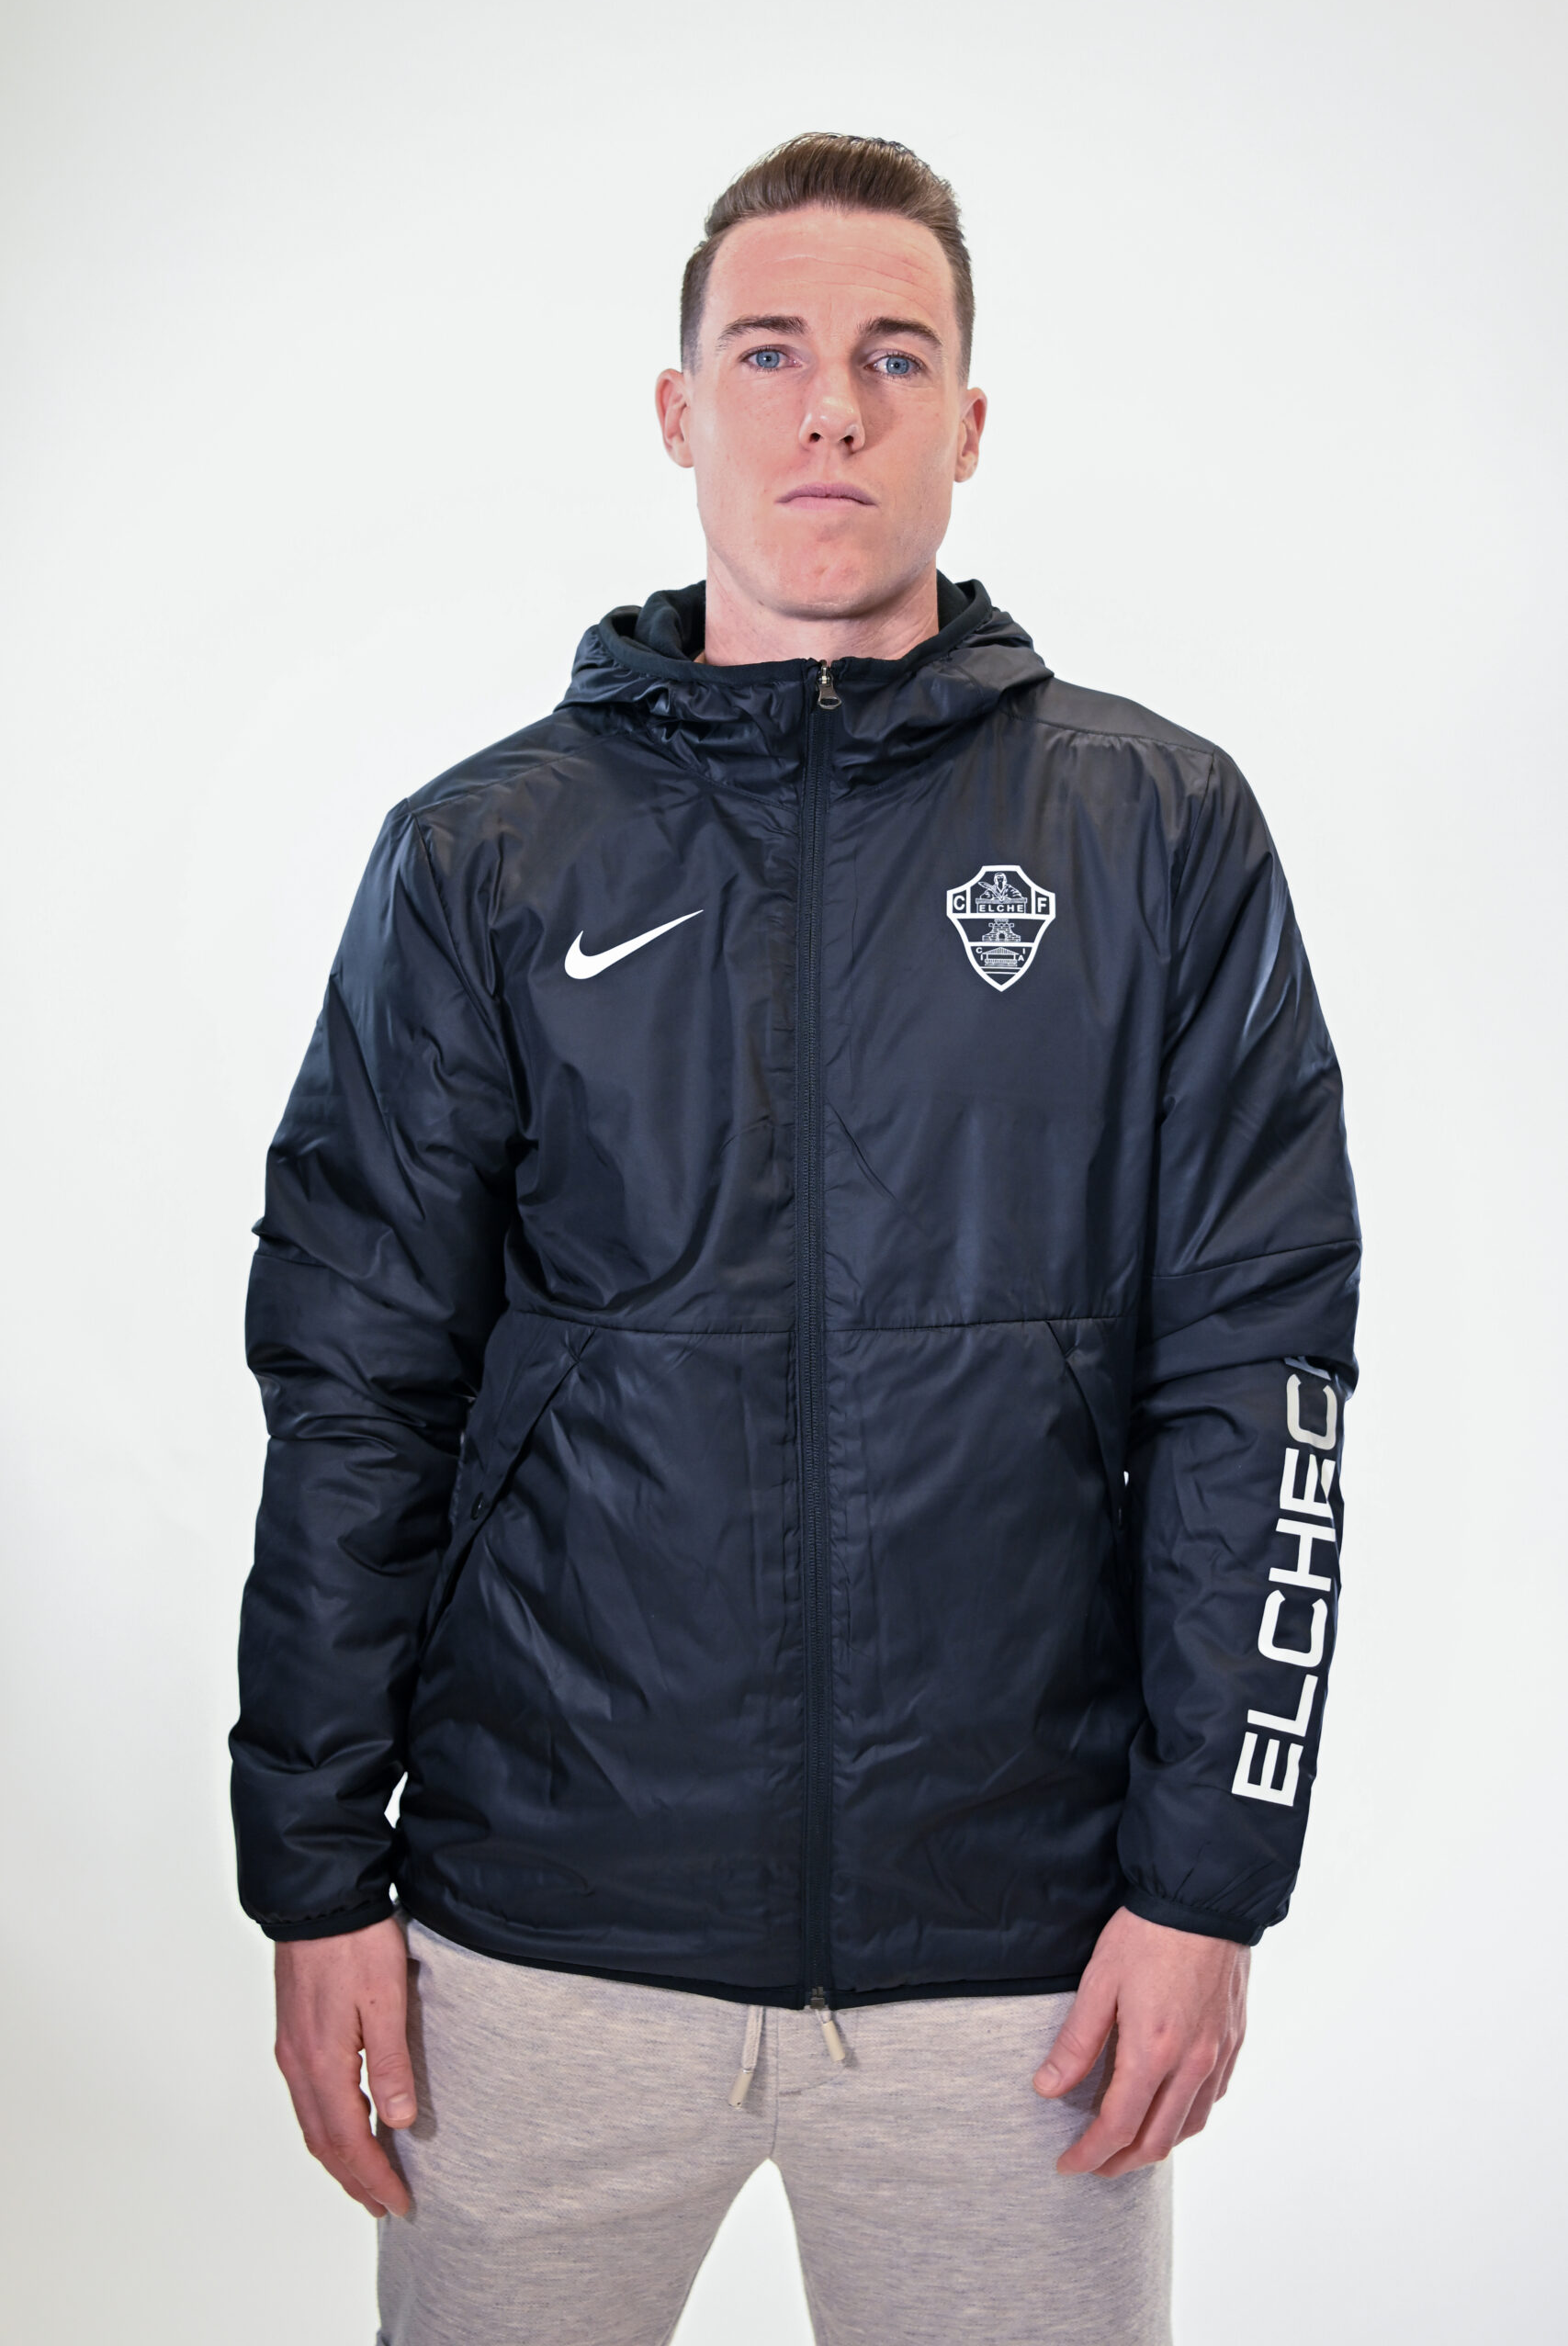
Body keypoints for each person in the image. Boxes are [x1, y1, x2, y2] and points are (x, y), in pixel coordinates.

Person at [231, 132, 1359, 2346]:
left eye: (890, 355)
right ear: (679, 408)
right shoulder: (485, 855)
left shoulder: (1155, 830)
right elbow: (354, 1377)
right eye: (767, 351)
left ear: (968, 419)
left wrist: (1206, 1884)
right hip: (538, 1938)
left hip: (1017, 1966)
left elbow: (1262, 1378)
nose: (828, 406)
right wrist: (310, 1872)